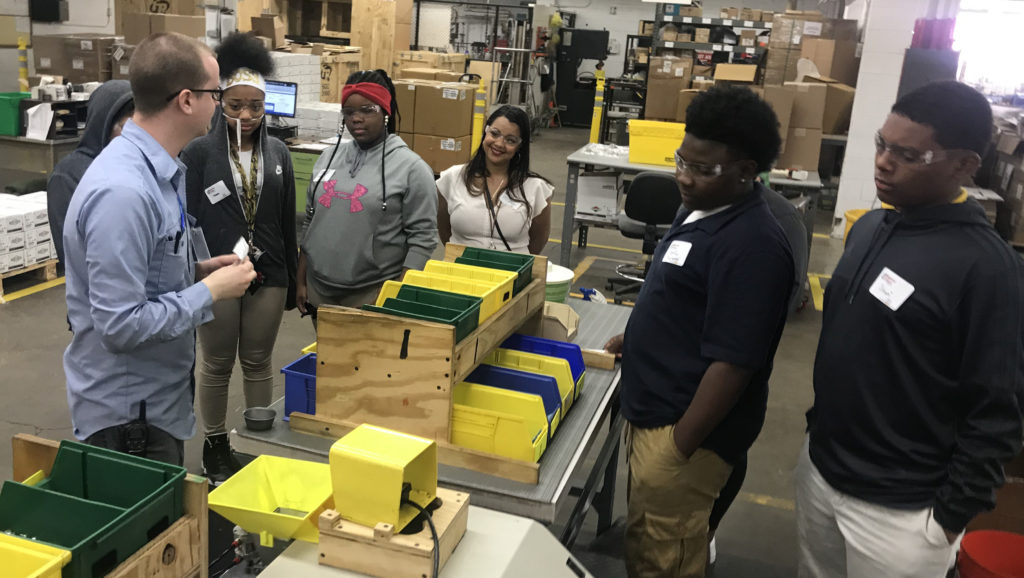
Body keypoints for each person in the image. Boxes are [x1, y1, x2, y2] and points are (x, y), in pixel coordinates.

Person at [797, 81, 1024, 578]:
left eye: (908, 154)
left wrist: (946, 519)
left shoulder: (987, 268)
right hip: (822, 472)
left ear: (965, 164)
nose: (883, 162)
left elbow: (998, 409)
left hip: (901, 513)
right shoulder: (871, 228)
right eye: (882, 144)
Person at [604, 86, 795, 578]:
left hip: (684, 432)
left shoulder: (754, 247)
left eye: (702, 169)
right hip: (656, 410)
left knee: (666, 558)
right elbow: (686, 293)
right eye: (680, 160)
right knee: (647, 543)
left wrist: (679, 447)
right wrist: (640, 338)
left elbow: (735, 363)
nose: (683, 177)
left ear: (747, 171)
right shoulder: (701, 206)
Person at [62, 32, 256, 466]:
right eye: (216, 93)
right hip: (129, 422)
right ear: (187, 100)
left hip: (156, 410)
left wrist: (199, 272)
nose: (219, 103)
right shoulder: (124, 192)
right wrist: (211, 292)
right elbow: (119, 326)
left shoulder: (159, 174)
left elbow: (146, 276)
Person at [181, 32, 297, 484]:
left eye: (254, 106)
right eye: (235, 105)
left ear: (265, 106)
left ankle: (254, 439)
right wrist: (194, 274)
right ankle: (214, 443)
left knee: (257, 359)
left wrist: (290, 277)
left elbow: (288, 220)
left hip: (269, 273)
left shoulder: (278, 153)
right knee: (216, 361)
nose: (245, 115)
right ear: (221, 103)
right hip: (218, 271)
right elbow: (188, 222)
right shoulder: (199, 154)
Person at [297, 69, 437, 316]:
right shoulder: (328, 158)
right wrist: (301, 280)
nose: (356, 119)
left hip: (371, 294)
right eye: (349, 113)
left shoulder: (412, 168)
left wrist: (394, 296)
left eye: (367, 110)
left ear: (385, 112)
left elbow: (423, 240)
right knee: (326, 355)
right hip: (319, 289)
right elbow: (310, 221)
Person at [436, 105, 553, 255]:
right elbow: (444, 230)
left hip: (511, 274)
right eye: (495, 133)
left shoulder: (536, 188)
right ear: (485, 132)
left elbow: (538, 240)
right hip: (460, 271)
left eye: (510, 140)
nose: (499, 144)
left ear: (520, 146)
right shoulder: (452, 178)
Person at [47, 79, 134, 268]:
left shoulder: (136, 168)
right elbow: (74, 255)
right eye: (128, 129)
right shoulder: (69, 176)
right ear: (103, 124)